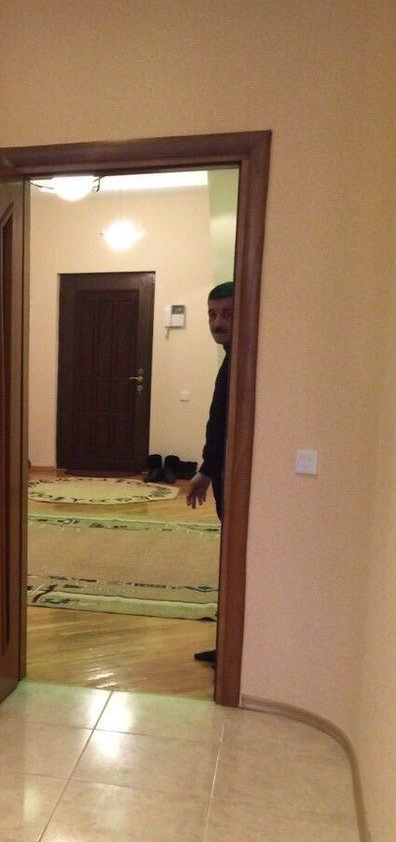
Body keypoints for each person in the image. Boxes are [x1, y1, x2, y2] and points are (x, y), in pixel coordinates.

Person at [186, 280, 234, 665]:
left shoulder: (241, 361)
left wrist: (206, 470)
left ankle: (232, 651)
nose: (217, 323)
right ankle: (229, 647)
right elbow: (218, 423)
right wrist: (207, 470)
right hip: (224, 472)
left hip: (235, 475)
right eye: (212, 314)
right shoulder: (232, 358)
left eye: (227, 314)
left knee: (235, 559)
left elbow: (222, 426)